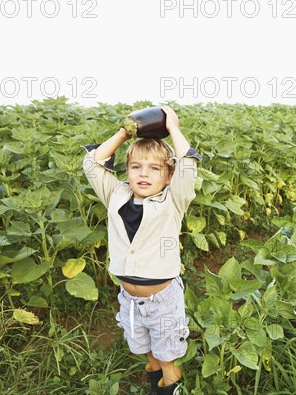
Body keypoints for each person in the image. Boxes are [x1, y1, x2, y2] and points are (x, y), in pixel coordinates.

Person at [81, 106, 201, 395]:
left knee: (167, 357)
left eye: (154, 168)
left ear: (168, 176)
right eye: (136, 167)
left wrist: (172, 127)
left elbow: (187, 165)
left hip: (163, 300)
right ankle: (154, 387)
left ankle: (170, 389)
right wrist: (126, 132)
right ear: (127, 171)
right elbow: (92, 165)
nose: (144, 174)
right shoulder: (116, 194)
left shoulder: (173, 202)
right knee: (147, 353)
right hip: (129, 300)